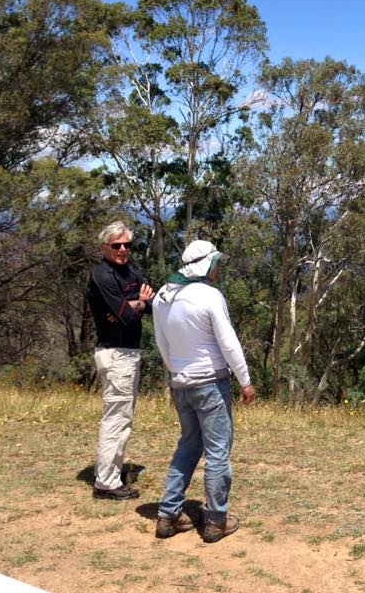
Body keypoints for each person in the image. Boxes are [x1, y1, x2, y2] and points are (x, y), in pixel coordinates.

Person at [151, 240, 256, 542]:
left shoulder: (162, 295)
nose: (219, 268)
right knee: (218, 451)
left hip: (181, 383)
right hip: (211, 383)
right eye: (217, 262)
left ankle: (168, 515)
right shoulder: (210, 295)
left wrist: (176, 371)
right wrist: (245, 380)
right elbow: (228, 342)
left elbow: (162, 343)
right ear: (206, 264)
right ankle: (215, 521)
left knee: (188, 445)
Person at [86, 221, 155, 500]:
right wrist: (134, 305)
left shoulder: (130, 273)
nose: (123, 249)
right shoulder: (102, 276)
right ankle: (106, 483)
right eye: (116, 245)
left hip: (127, 353)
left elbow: (149, 304)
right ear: (104, 247)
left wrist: (134, 305)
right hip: (116, 355)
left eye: (127, 244)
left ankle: (108, 472)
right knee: (117, 420)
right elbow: (127, 316)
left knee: (121, 418)